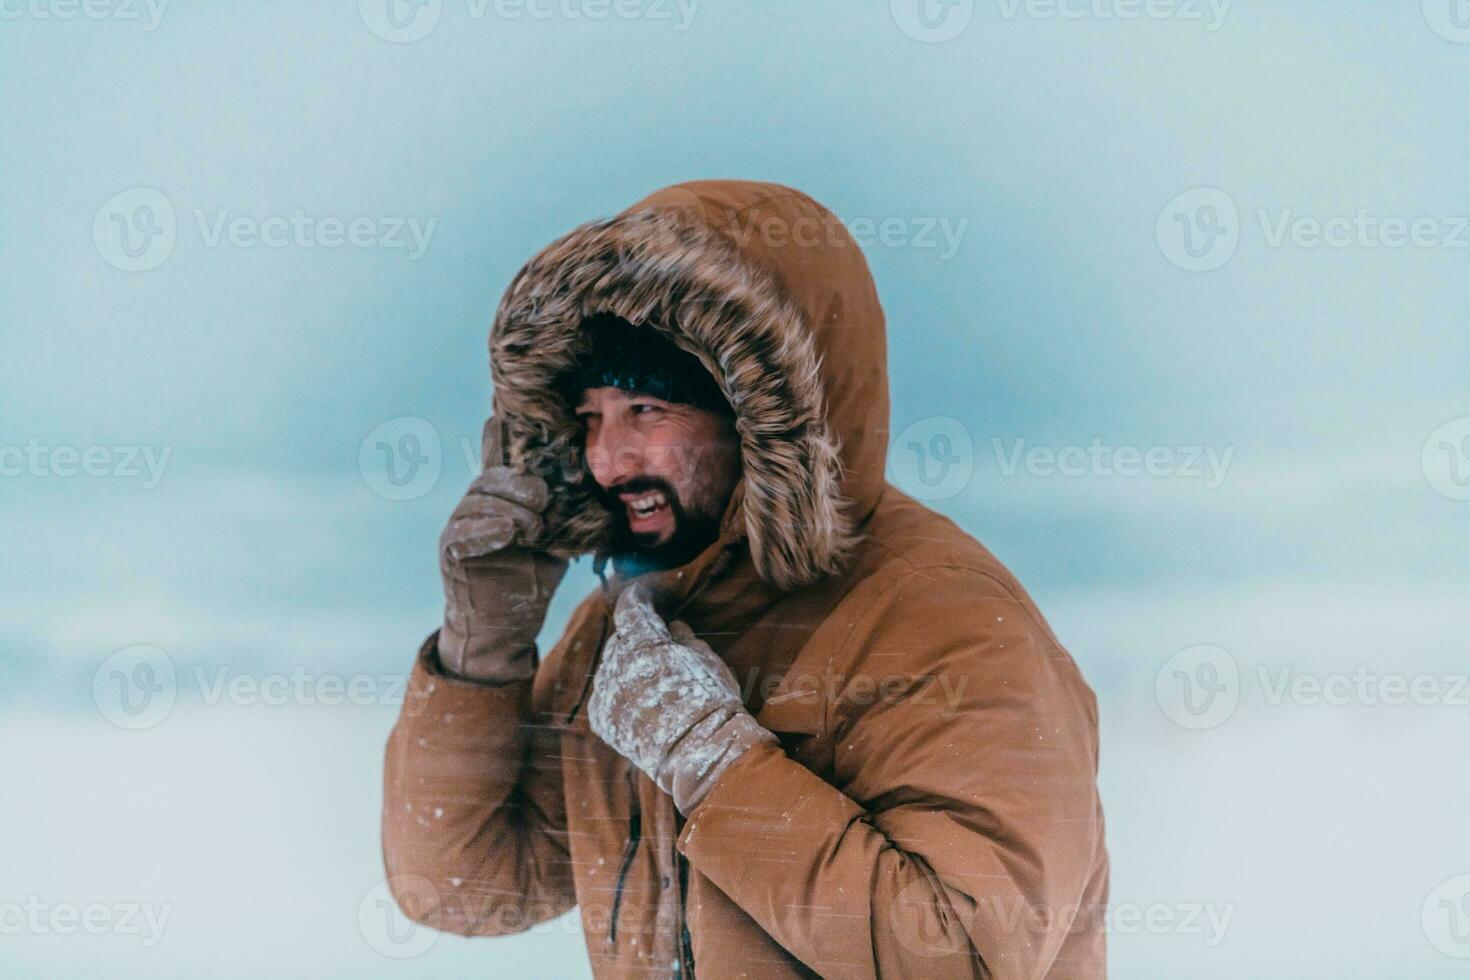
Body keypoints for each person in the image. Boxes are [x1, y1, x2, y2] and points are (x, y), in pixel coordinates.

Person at [381, 180, 1109, 978]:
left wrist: (720, 765)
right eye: (589, 419)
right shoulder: (631, 632)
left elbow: (967, 959)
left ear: (760, 417)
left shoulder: (946, 621)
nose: (605, 460)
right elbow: (463, 885)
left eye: (646, 413)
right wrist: (482, 646)